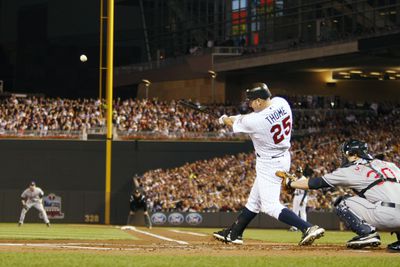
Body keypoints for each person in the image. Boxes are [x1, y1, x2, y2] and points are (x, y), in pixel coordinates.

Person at [213, 82, 325, 245]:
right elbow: (247, 119)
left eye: (251, 101)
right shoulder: (281, 102)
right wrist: (230, 119)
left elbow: (238, 122)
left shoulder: (256, 120)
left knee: (270, 206)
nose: (249, 104)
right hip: (283, 157)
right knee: (254, 201)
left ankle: (307, 227)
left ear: (259, 101)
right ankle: (235, 233)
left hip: (269, 163)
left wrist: (224, 119)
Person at [282, 139, 400, 251]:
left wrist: (291, 183)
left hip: (387, 216)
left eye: (346, 155)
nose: (344, 158)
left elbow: (317, 183)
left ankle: (367, 233)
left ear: (354, 155)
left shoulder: (353, 169)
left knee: (343, 202)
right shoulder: (389, 165)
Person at [289, 167, 308, 231]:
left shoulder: (304, 179)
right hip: (296, 196)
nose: (299, 173)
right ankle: (294, 227)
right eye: (298, 172)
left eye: (300, 172)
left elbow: (306, 191)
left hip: (302, 196)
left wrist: (302, 200)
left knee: (302, 212)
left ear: (301, 172)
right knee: (294, 212)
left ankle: (305, 227)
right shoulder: (296, 178)